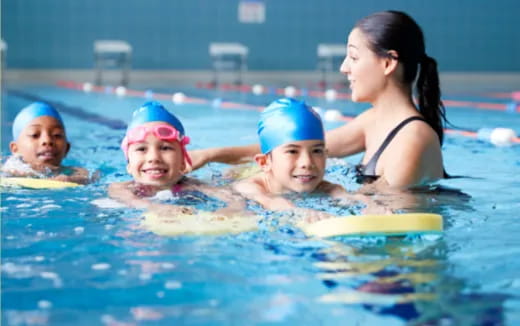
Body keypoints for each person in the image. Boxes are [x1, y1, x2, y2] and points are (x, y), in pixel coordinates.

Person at [188, 10, 447, 190]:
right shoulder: (374, 121)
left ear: (388, 63)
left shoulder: (412, 140)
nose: (344, 68)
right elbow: (290, 146)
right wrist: (210, 156)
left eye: (354, 58)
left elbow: (380, 212)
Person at [232, 98, 370, 218]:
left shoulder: (325, 187)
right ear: (265, 162)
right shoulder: (248, 187)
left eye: (316, 151)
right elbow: (270, 201)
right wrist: (298, 212)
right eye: (292, 151)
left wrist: (369, 205)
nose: (307, 163)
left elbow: (345, 197)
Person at [108, 101, 245, 216]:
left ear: (182, 161)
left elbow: (232, 198)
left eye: (165, 148)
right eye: (141, 149)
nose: (154, 158)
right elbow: (130, 200)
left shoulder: (193, 186)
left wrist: (232, 209)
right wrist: (154, 208)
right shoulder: (122, 188)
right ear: (129, 165)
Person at [1, 102, 90, 184]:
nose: (47, 140)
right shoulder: (9, 169)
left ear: (67, 148)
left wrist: (70, 180)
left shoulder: (72, 173)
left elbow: (89, 177)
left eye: (57, 135)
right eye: (35, 135)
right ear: (15, 149)